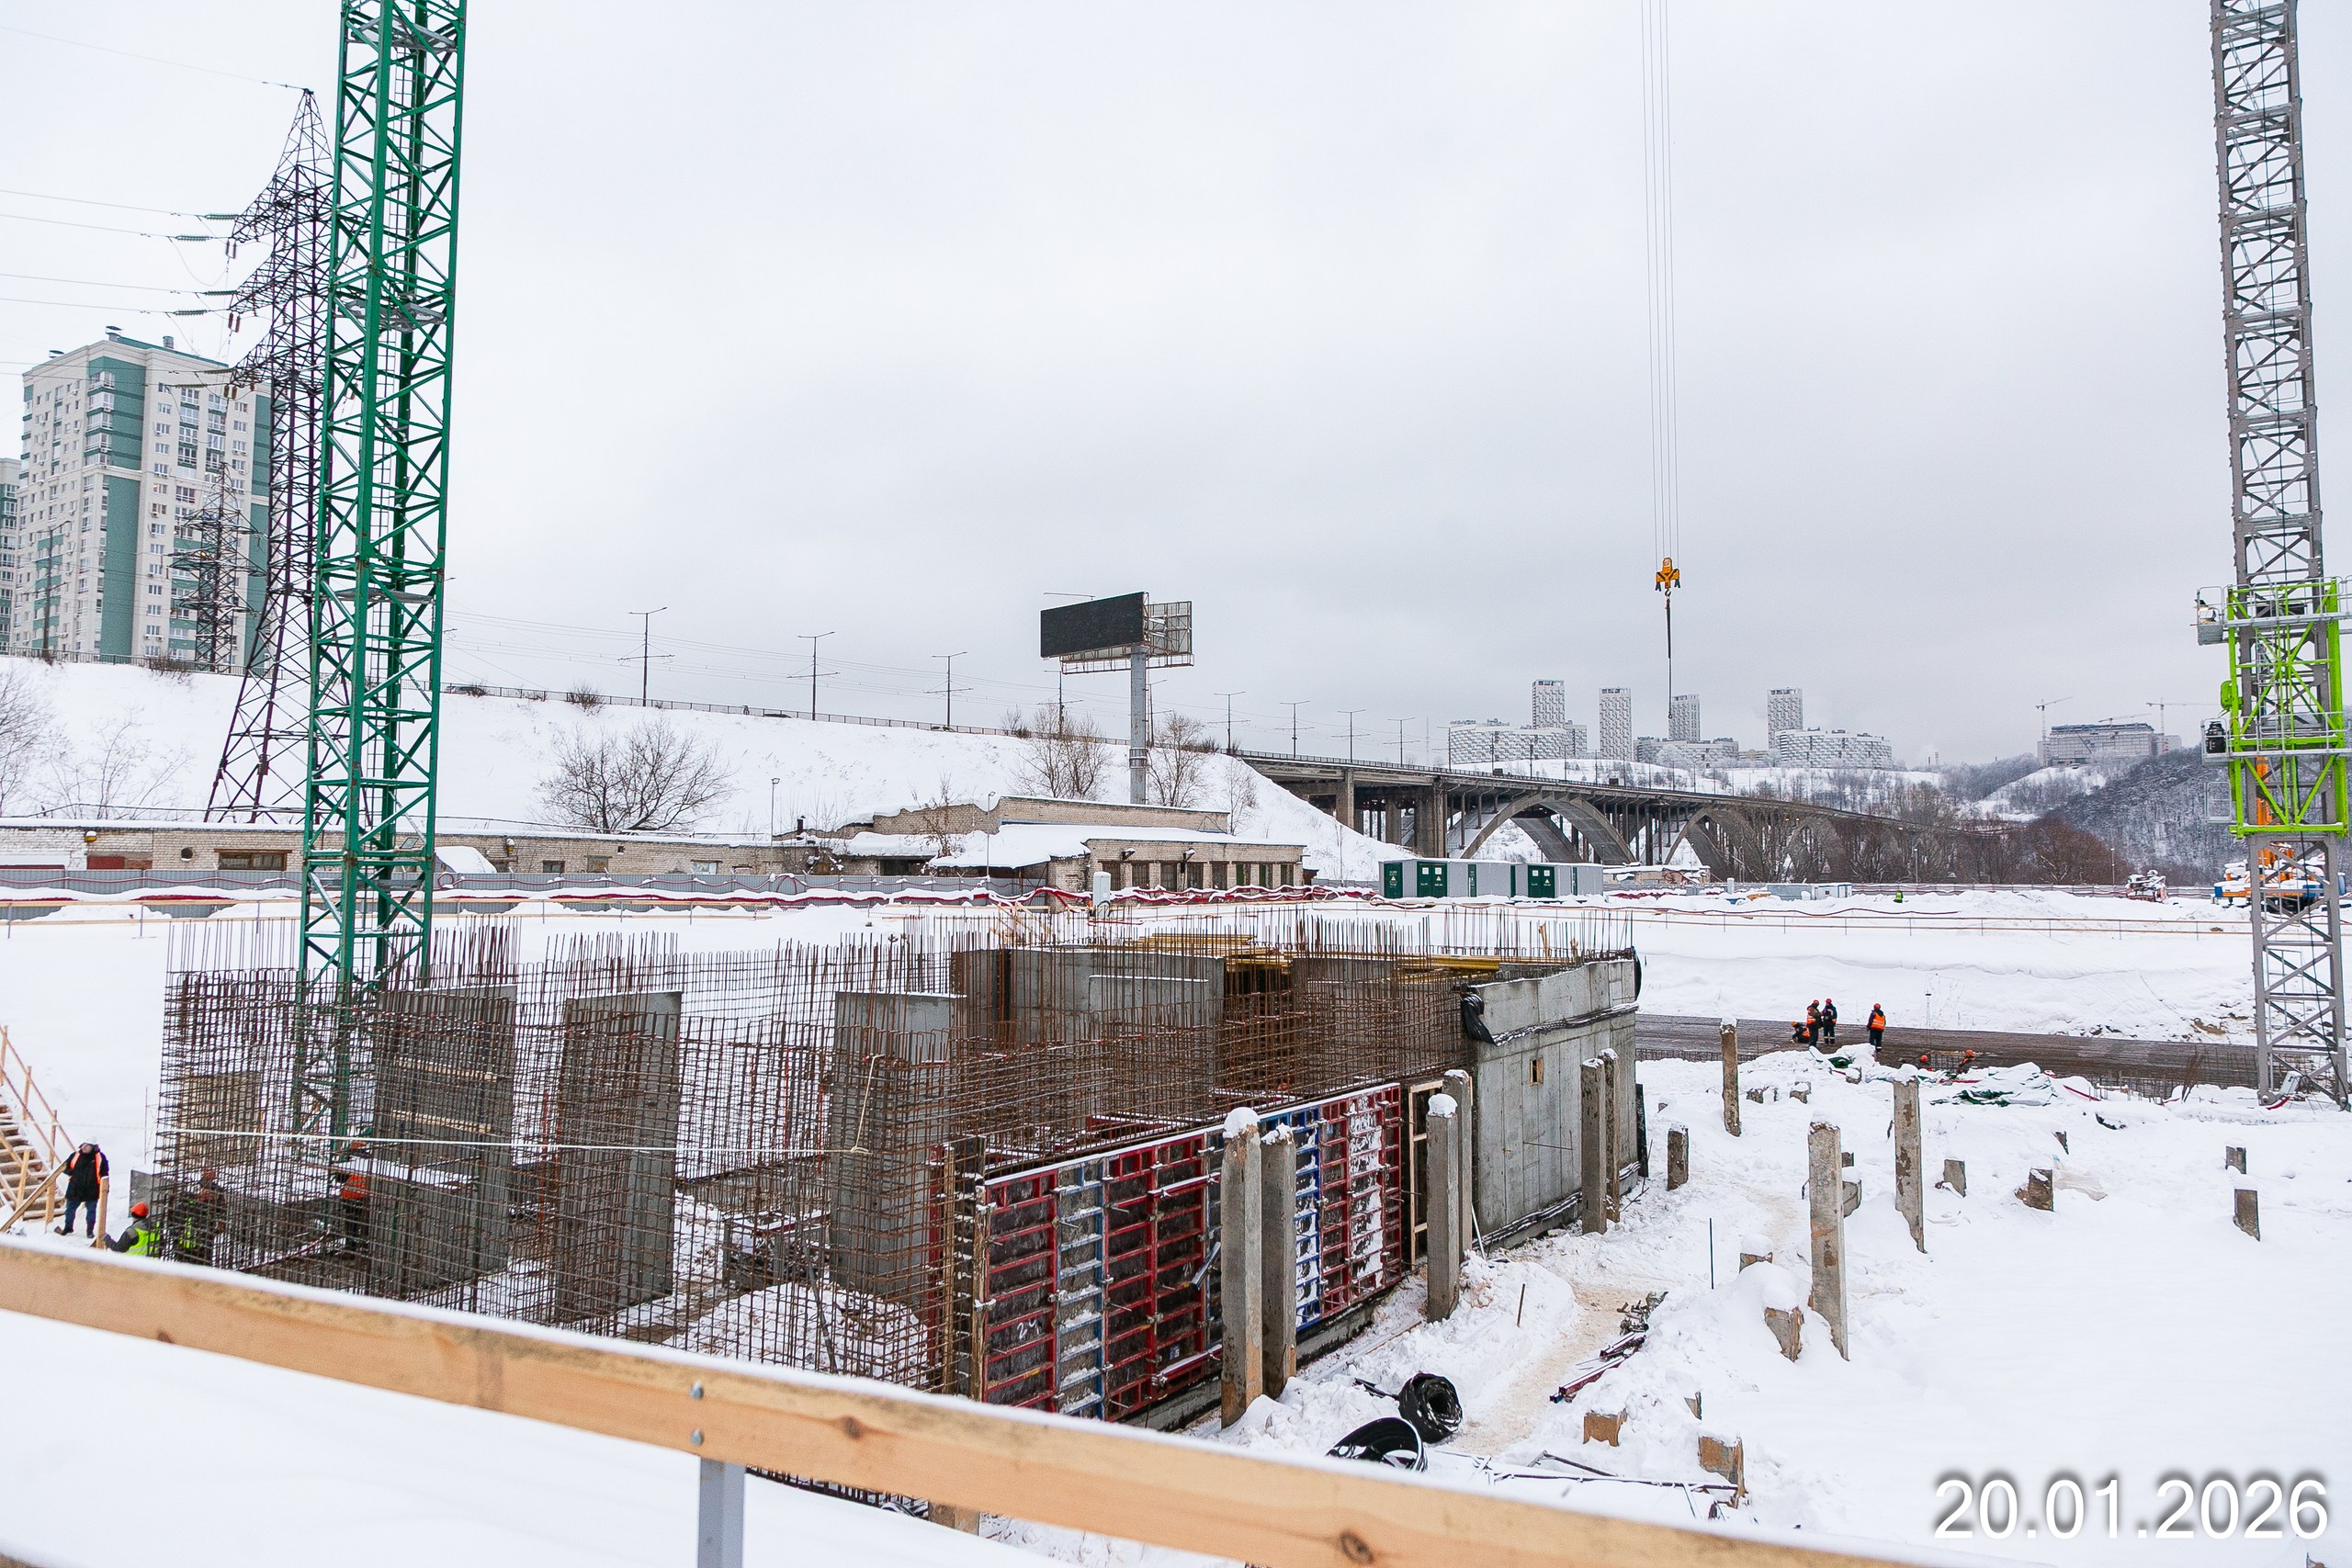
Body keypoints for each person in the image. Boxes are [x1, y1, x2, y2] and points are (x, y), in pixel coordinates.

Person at [54, 1142, 107, 1238]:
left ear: (93, 1147)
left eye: (87, 1146)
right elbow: (65, 1167)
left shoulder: (100, 1157)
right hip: (75, 1189)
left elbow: (105, 1172)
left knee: (91, 1211)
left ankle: (90, 1231)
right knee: (70, 1210)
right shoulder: (75, 1155)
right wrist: (72, 1173)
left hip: (92, 1190)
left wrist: (104, 1186)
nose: (84, 1147)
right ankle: (68, 1227)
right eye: (84, 1145)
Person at [175, 1168, 228, 1263]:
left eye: (211, 1171)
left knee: (204, 1260)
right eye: (207, 1171)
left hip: (207, 1228)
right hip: (190, 1228)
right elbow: (182, 1204)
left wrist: (221, 1220)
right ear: (202, 1173)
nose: (210, 1173)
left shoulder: (218, 1190)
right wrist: (198, 1198)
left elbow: (222, 1209)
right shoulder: (193, 1187)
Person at [333, 1144, 371, 1260]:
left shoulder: (351, 1165)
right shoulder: (369, 1165)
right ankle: (364, 1250)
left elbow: (339, 1178)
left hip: (351, 1199)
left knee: (351, 1226)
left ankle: (351, 1249)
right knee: (365, 1226)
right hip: (364, 1199)